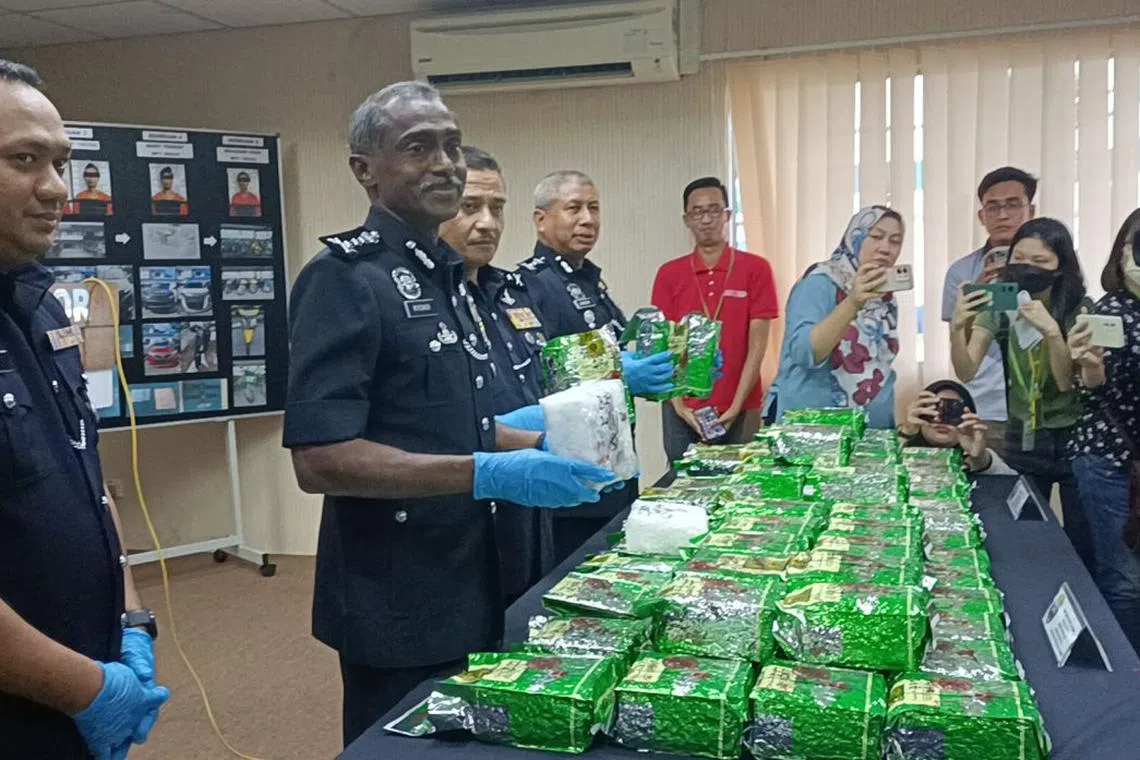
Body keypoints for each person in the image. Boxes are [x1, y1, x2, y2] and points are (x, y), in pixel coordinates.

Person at [282, 81, 616, 746]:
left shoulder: (449, 280)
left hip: (481, 571)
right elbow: (319, 460)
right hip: (401, 589)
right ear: (365, 171)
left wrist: (539, 441)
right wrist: (484, 473)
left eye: (452, 145)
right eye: (417, 147)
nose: (445, 163)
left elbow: (455, 421)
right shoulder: (346, 277)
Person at [0, 59, 168, 759]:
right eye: (24, 160)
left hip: (74, 689)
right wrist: (85, 689)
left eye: (63, 162)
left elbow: (89, 481)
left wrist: (131, 620)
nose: (57, 188)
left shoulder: (43, 311)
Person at [516, 169, 673, 562]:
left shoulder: (590, 282)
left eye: (594, 207)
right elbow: (538, 374)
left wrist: (668, 371)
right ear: (541, 219)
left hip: (616, 458)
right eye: (574, 208)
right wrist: (619, 375)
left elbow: (616, 353)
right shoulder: (528, 286)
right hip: (572, 467)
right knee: (575, 581)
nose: (588, 219)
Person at [438, 145, 555, 607]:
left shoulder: (506, 291)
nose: (487, 222)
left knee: (524, 625)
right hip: (456, 513)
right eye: (469, 207)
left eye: (497, 208)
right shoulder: (423, 299)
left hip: (522, 512)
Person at [951, 216, 1093, 567]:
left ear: (1061, 265)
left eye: (1040, 261)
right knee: (1025, 532)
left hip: (1073, 436)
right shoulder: (1003, 301)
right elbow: (967, 369)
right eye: (1020, 259)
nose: (1027, 268)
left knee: (1081, 538)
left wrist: (1052, 333)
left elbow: (1065, 382)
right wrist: (957, 327)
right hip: (1022, 434)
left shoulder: (1079, 306)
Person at [651, 176, 779, 464]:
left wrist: (735, 407)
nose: (706, 219)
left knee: (739, 483)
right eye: (698, 212)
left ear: (727, 216)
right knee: (681, 484)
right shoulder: (669, 274)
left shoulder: (755, 269)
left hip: (741, 404)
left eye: (714, 210)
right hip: (681, 406)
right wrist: (680, 406)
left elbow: (757, 347)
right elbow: (663, 346)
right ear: (687, 219)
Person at [1067, 209, 1140, 651]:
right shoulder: (1107, 312)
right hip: (1112, 461)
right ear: (1123, 253)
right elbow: (1091, 390)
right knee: (1125, 578)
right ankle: (1127, 679)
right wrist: (1089, 367)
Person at [769, 206, 905, 429]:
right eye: (877, 236)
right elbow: (805, 352)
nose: (886, 248)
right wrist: (852, 303)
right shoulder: (820, 283)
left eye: (895, 241)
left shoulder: (884, 298)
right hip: (815, 429)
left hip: (870, 430)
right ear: (855, 236)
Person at [941, 167, 1037, 457]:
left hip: (1039, 409)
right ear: (981, 216)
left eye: (1012, 205)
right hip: (986, 406)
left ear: (1030, 210)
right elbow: (959, 345)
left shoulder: (1050, 266)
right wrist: (976, 302)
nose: (1003, 215)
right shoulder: (961, 272)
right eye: (993, 207)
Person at [898, 380, 1016, 475]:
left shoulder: (981, 457)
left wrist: (980, 459)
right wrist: (905, 435)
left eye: (953, 412)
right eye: (933, 410)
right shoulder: (894, 447)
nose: (940, 420)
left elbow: (1014, 486)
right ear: (920, 414)